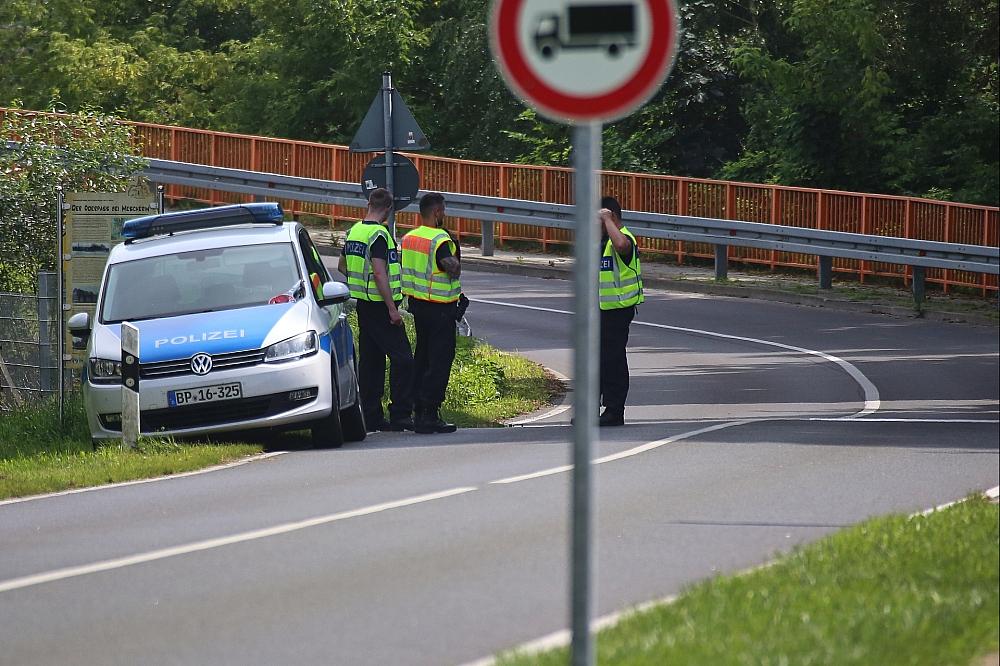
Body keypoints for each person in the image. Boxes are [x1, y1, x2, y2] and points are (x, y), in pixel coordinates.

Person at [338, 188, 414, 431]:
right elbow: (380, 273)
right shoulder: (379, 235)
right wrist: (392, 309)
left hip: (363, 305)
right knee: (404, 359)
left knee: (371, 361)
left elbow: (342, 266)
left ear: (368, 204)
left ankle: (371, 415)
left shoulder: (354, 232)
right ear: (389, 209)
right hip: (381, 307)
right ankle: (400, 414)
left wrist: (361, 282)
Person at [400, 192, 461, 434]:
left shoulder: (410, 237)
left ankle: (418, 410)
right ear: (436, 212)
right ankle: (430, 413)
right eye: (443, 210)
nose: (444, 214)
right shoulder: (440, 240)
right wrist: (456, 249)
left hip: (418, 306)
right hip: (440, 308)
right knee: (439, 361)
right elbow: (453, 269)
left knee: (422, 358)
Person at [597, 196, 643, 426]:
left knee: (612, 360)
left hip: (617, 310)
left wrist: (607, 220)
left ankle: (614, 411)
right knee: (595, 360)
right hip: (601, 310)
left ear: (612, 217)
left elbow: (622, 247)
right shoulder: (603, 242)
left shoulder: (624, 239)